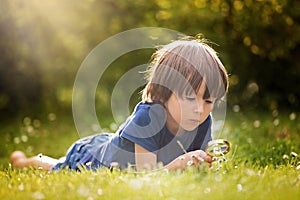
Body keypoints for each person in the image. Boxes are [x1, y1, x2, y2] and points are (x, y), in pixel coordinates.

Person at [10, 37, 228, 172]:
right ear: (163, 93)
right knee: (57, 167)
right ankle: (25, 161)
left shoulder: (202, 121)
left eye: (208, 100)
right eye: (190, 97)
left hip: (110, 145)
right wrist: (180, 164)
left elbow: (198, 165)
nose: (200, 109)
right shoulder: (149, 118)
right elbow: (146, 178)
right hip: (92, 157)